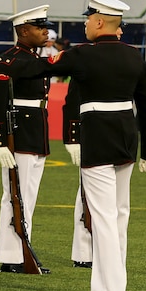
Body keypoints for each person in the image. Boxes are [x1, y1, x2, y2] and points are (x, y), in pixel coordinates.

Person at [0, 0, 146, 291]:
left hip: (98, 140)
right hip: (127, 141)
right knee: (118, 217)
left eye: (89, 18)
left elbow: (32, 68)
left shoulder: (82, 55)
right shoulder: (133, 56)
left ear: (99, 21)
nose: (85, 23)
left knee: (102, 219)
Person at [0, 5, 54, 274]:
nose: (45, 31)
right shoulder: (10, 59)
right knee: (16, 194)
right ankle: (11, 255)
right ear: (24, 31)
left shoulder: (29, 58)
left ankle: (23, 247)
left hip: (35, 131)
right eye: (40, 27)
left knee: (29, 194)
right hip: (20, 133)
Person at [62, 79, 93, 268]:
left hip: (115, 134)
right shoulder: (84, 64)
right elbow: (72, 103)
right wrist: (73, 138)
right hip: (89, 132)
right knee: (86, 195)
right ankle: (83, 253)